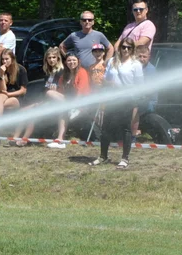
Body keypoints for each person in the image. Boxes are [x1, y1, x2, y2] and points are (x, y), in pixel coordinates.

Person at [90, 39, 143, 169]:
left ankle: (125, 158)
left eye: (129, 48)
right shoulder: (112, 62)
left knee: (126, 128)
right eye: (123, 47)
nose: (125, 50)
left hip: (127, 99)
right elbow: (105, 80)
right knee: (106, 127)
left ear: (132, 50)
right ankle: (103, 156)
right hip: (112, 98)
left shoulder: (135, 64)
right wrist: (110, 85)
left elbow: (140, 85)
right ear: (119, 48)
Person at [49, 52, 90, 148]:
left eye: (74, 60)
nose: (71, 62)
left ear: (78, 61)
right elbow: (60, 90)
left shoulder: (82, 72)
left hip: (81, 102)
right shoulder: (64, 75)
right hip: (68, 102)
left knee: (62, 109)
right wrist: (55, 89)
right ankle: (60, 140)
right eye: (69, 60)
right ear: (65, 62)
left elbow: (81, 90)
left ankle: (60, 139)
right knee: (50, 93)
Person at [0, 48, 29, 146]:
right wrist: (1, 74)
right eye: (2, 59)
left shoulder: (21, 69)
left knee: (0, 101)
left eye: (7, 59)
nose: (4, 61)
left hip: (17, 97)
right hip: (4, 96)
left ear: (12, 59)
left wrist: (9, 94)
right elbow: (2, 89)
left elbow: (23, 90)